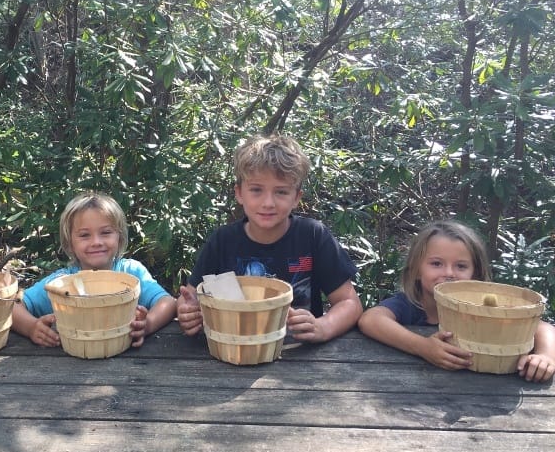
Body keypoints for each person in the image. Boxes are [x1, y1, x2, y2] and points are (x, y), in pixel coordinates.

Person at [176, 134, 362, 343]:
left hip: (302, 353)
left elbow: (349, 303)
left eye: (281, 192)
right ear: (239, 193)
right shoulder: (223, 241)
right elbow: (188, 299)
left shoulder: (313, 235)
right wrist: (188, 313)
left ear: (296, 198)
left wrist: (324, 326)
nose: (268, 203)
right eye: (256, 190)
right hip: (234, 350)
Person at [358, 220, 555, 382]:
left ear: (475, 274)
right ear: (416, 269)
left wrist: (546, 356)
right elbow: (370, 319)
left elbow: (542, 327)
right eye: (436, 263)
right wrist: (422, 346)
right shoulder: (410, 304)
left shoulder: (484, 309)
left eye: (461, 266)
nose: (449, 273)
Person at [12, 192, 177, 347]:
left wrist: (148, 324)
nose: (96, 242)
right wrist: (31, 327)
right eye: (84, 235)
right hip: (68, 363)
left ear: (119, 237)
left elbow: (168, 302)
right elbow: (12, 307)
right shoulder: (60, 283)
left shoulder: (131, 271)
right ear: (70, 243)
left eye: (106, 232)